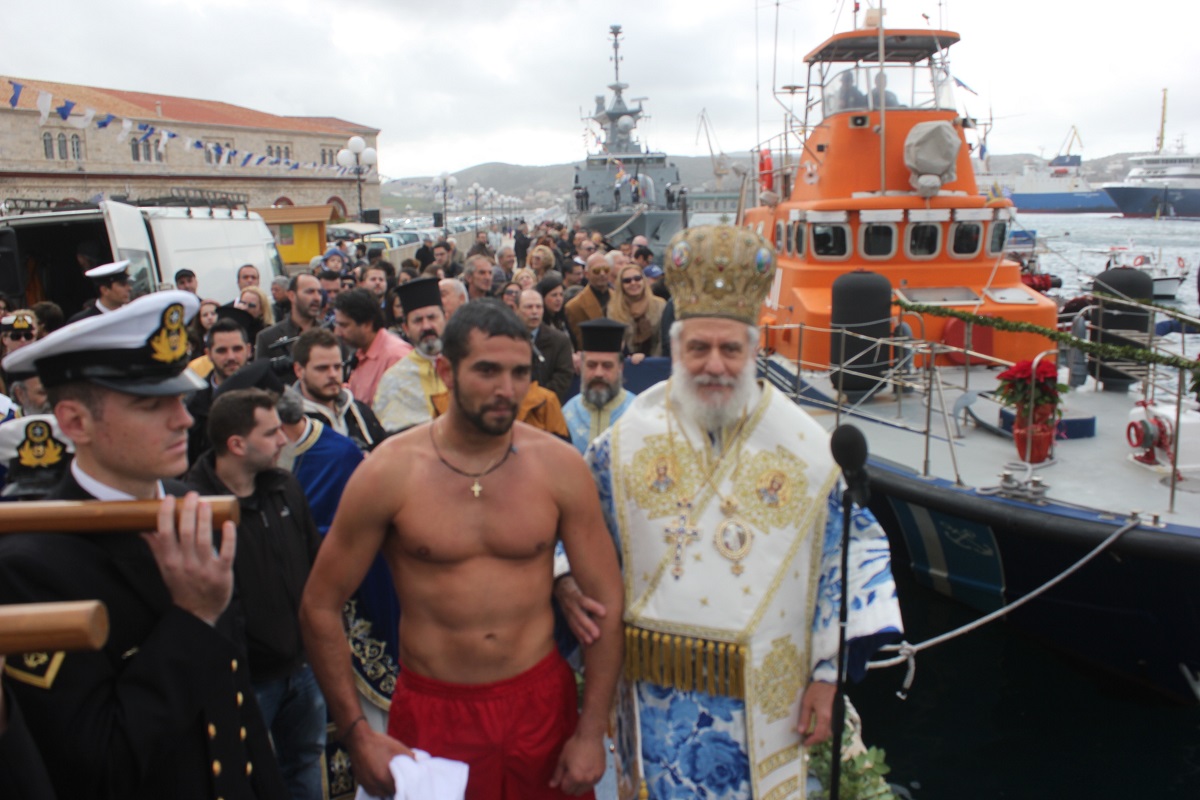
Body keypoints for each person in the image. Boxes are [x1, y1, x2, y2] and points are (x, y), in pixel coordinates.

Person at [557, 226, 903, 799]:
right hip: (654, 702)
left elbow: (852, 555)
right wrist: (565, 579)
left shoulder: (807, 449)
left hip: (769, 698)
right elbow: (570, 524)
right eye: (699, 348)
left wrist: (826, 676)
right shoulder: (622, 446)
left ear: (753, 351)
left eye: (730, 349)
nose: (714, 364)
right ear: (676, 351)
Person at [300, 300, 624, 800]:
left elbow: (606, 600)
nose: (506, 389)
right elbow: (319, 605)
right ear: (447, 372)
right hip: (434, 714)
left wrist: (591, 728)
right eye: (487, 371)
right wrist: (356, 732)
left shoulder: (559, 468)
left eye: (520, 373)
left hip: (542, 709)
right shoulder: (389, 472)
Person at [0, 290, 287, 799]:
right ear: (75, 422)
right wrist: (191, 619)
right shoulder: (31, 567)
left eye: (179, 398)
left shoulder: (188, 506)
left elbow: (236, 709)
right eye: (151, 405)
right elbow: (95, 768)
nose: (184, 419)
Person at [188, 388, 326, 800]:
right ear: (236, 444)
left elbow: (313, 562)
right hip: (245, 680)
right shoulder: (195, 508)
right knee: (245, 777)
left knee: (304, 763)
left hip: (302, 668)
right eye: (270, 433)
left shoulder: (285, 487)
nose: (283, 440)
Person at [288, 328, 387, 452]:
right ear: (299, 370)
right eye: (322, 368)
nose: (333, 374)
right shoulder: (290, 424)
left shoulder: (361, 412)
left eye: (337, 367)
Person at [373, 278, 449, 434]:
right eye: (418, 320)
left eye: (432, 317)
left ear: (445, 319)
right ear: (406, 328)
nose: (426, 326)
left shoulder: (466, 364)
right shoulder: (394, 379)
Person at [562, 319, 636, 454]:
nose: (598, 373)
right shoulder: (567, 414)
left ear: (620, 368)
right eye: (591, 365)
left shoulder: (636, 412)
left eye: (607, 366)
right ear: (581, 367)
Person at [186, 316, 252, 465]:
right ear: (208, 354)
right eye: (222, 351)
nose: (231, 357)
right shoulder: (193, 403)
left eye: (237, 349)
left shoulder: (270, 394)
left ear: (248, 350)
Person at [333, 289, 412, 406]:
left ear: (367, 324)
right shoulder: (361, 351)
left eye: (344, 325)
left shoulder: (395, 357)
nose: (337, 332)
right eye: (337, 324)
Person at [255, 273, 324, 369]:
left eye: (319, 292)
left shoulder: (331, 331)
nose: (317, 298)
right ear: (291, 296)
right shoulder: (267, 338)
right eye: (310, 292)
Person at [519, 289, 574, 404]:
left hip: (547, 404)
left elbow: (563, 376)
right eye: (529, 307)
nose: (534, 312)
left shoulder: (560, 340)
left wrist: (539, 399)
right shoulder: (507, 340)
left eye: (539, 307)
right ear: (517, 309)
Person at [608, 262, 666, 357]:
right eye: (627, 281)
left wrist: (652, 360)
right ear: (621, 285)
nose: (633, 283)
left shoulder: (660, 305)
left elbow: (662, 338)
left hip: (655, 361)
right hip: (626, 361)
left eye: (637, 278)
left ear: (644, 280)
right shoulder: (613, 309)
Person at [564, 253, 614, 348]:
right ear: (586, 274)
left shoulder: (619, 299)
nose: (602, 274)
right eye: (596, 271)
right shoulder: (574, 306)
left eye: (606, 270)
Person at [66, 260, 133, 323]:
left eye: (128, 283)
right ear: (105, 290)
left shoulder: (132, 315)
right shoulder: (82, 321)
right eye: (122, 284)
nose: (129, 288)